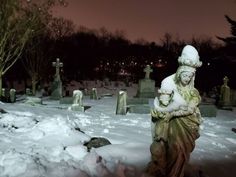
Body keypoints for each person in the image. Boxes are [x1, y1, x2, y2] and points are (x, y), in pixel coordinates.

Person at [146, 45, 202, 177]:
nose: (187, 78)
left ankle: (177, 173)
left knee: (182, 152)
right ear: (180, 73)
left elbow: (190, 110)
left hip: (187, 127)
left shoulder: (194, 93)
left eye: (190, 76)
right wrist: (159, 112)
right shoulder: (170, 85)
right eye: (185, 75)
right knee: (173, 148)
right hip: (172, 127)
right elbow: (162, 104)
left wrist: (172, 113)